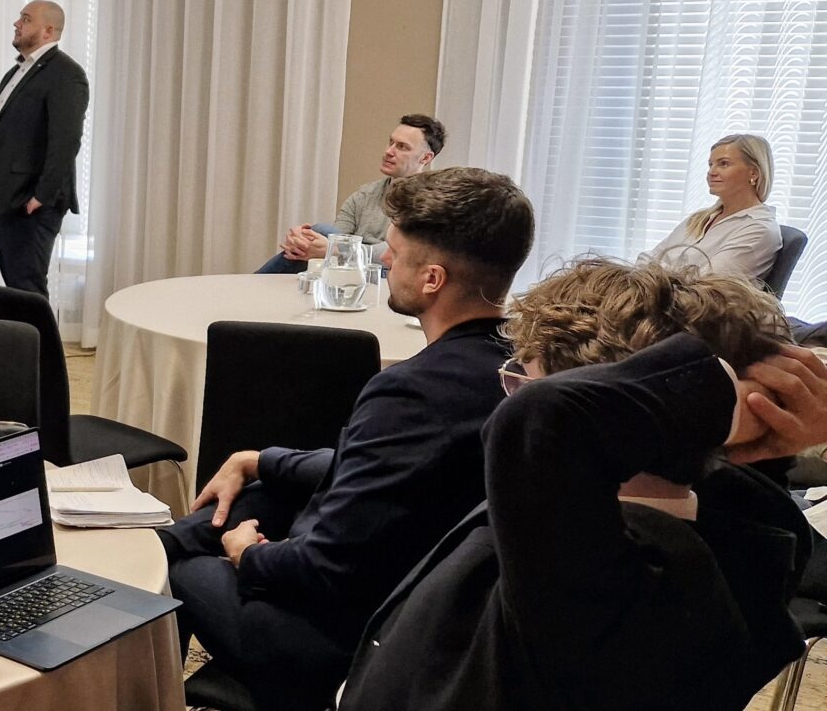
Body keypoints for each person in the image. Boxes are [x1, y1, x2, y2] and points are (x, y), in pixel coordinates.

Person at [339, 258, 827, 711]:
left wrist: (715, 395)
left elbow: (540, 420)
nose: (511, 397)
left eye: (523, 378)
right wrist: (752, 430)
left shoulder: (598, 575)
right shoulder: (743, 526)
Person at [157, 167, 534, 711]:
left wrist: (248, 556)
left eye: (394, 254)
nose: (386, 263)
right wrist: (261, 459)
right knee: (240, 500)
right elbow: (383, 469)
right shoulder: (517, 368)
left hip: (347, 639)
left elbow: (325, 570)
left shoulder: (411, 392)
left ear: (432, 278)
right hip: (427, 597)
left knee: (173, 567)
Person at [0, 0, 89, 296]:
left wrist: (41, 196)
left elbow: (66, 141)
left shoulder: (66, 74)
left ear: (48, 31)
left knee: (27, 290)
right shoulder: (17, 72)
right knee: (17, 291)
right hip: (8, 197)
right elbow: (15, 129)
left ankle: (40, 334)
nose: (17, 24)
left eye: (26, 19)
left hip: (30, 203)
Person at [256, 114, 445, 274]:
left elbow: (398, 252)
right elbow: (335, 238)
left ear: (426, 157)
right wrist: (305, 240)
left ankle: (250, 288)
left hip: (392, 274)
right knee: (314, 238)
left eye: (402, 147)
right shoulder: (365, 194)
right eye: (390, 142)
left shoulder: (430, 202)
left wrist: (335, 249)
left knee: (321, 231)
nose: (388, 152)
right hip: (350, 269)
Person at [643, 132, 783, 281]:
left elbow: (703, 282)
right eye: (710, 165)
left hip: (684, 296)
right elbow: (650, 257)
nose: (711, 172)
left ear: (753, 173)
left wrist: (654, 273)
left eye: (723, 164)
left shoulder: (759, 230)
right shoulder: (699, 218)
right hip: (656, 290)